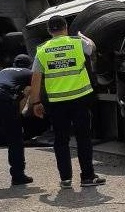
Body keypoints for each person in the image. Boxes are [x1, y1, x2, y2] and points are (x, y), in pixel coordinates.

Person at [29, 15, 106, 189]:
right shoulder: (77, 43)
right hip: (80, 100)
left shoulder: (42, 50)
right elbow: (92, 48)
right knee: (83, 139)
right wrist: (86, 38)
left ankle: (65, 179)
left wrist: (35, 103)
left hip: (57, 104)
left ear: (50, 31)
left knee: (60, 140)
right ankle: (87, 177)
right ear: (66, 27)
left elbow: (35, 79)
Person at [0, 54, 34, 186]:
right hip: (4, 98)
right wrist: (18, 117)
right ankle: (18, 176)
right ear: (29, 65)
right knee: (15, 139)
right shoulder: (29, 73)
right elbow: (26, 94)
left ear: (14, 64)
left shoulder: (3, 71)